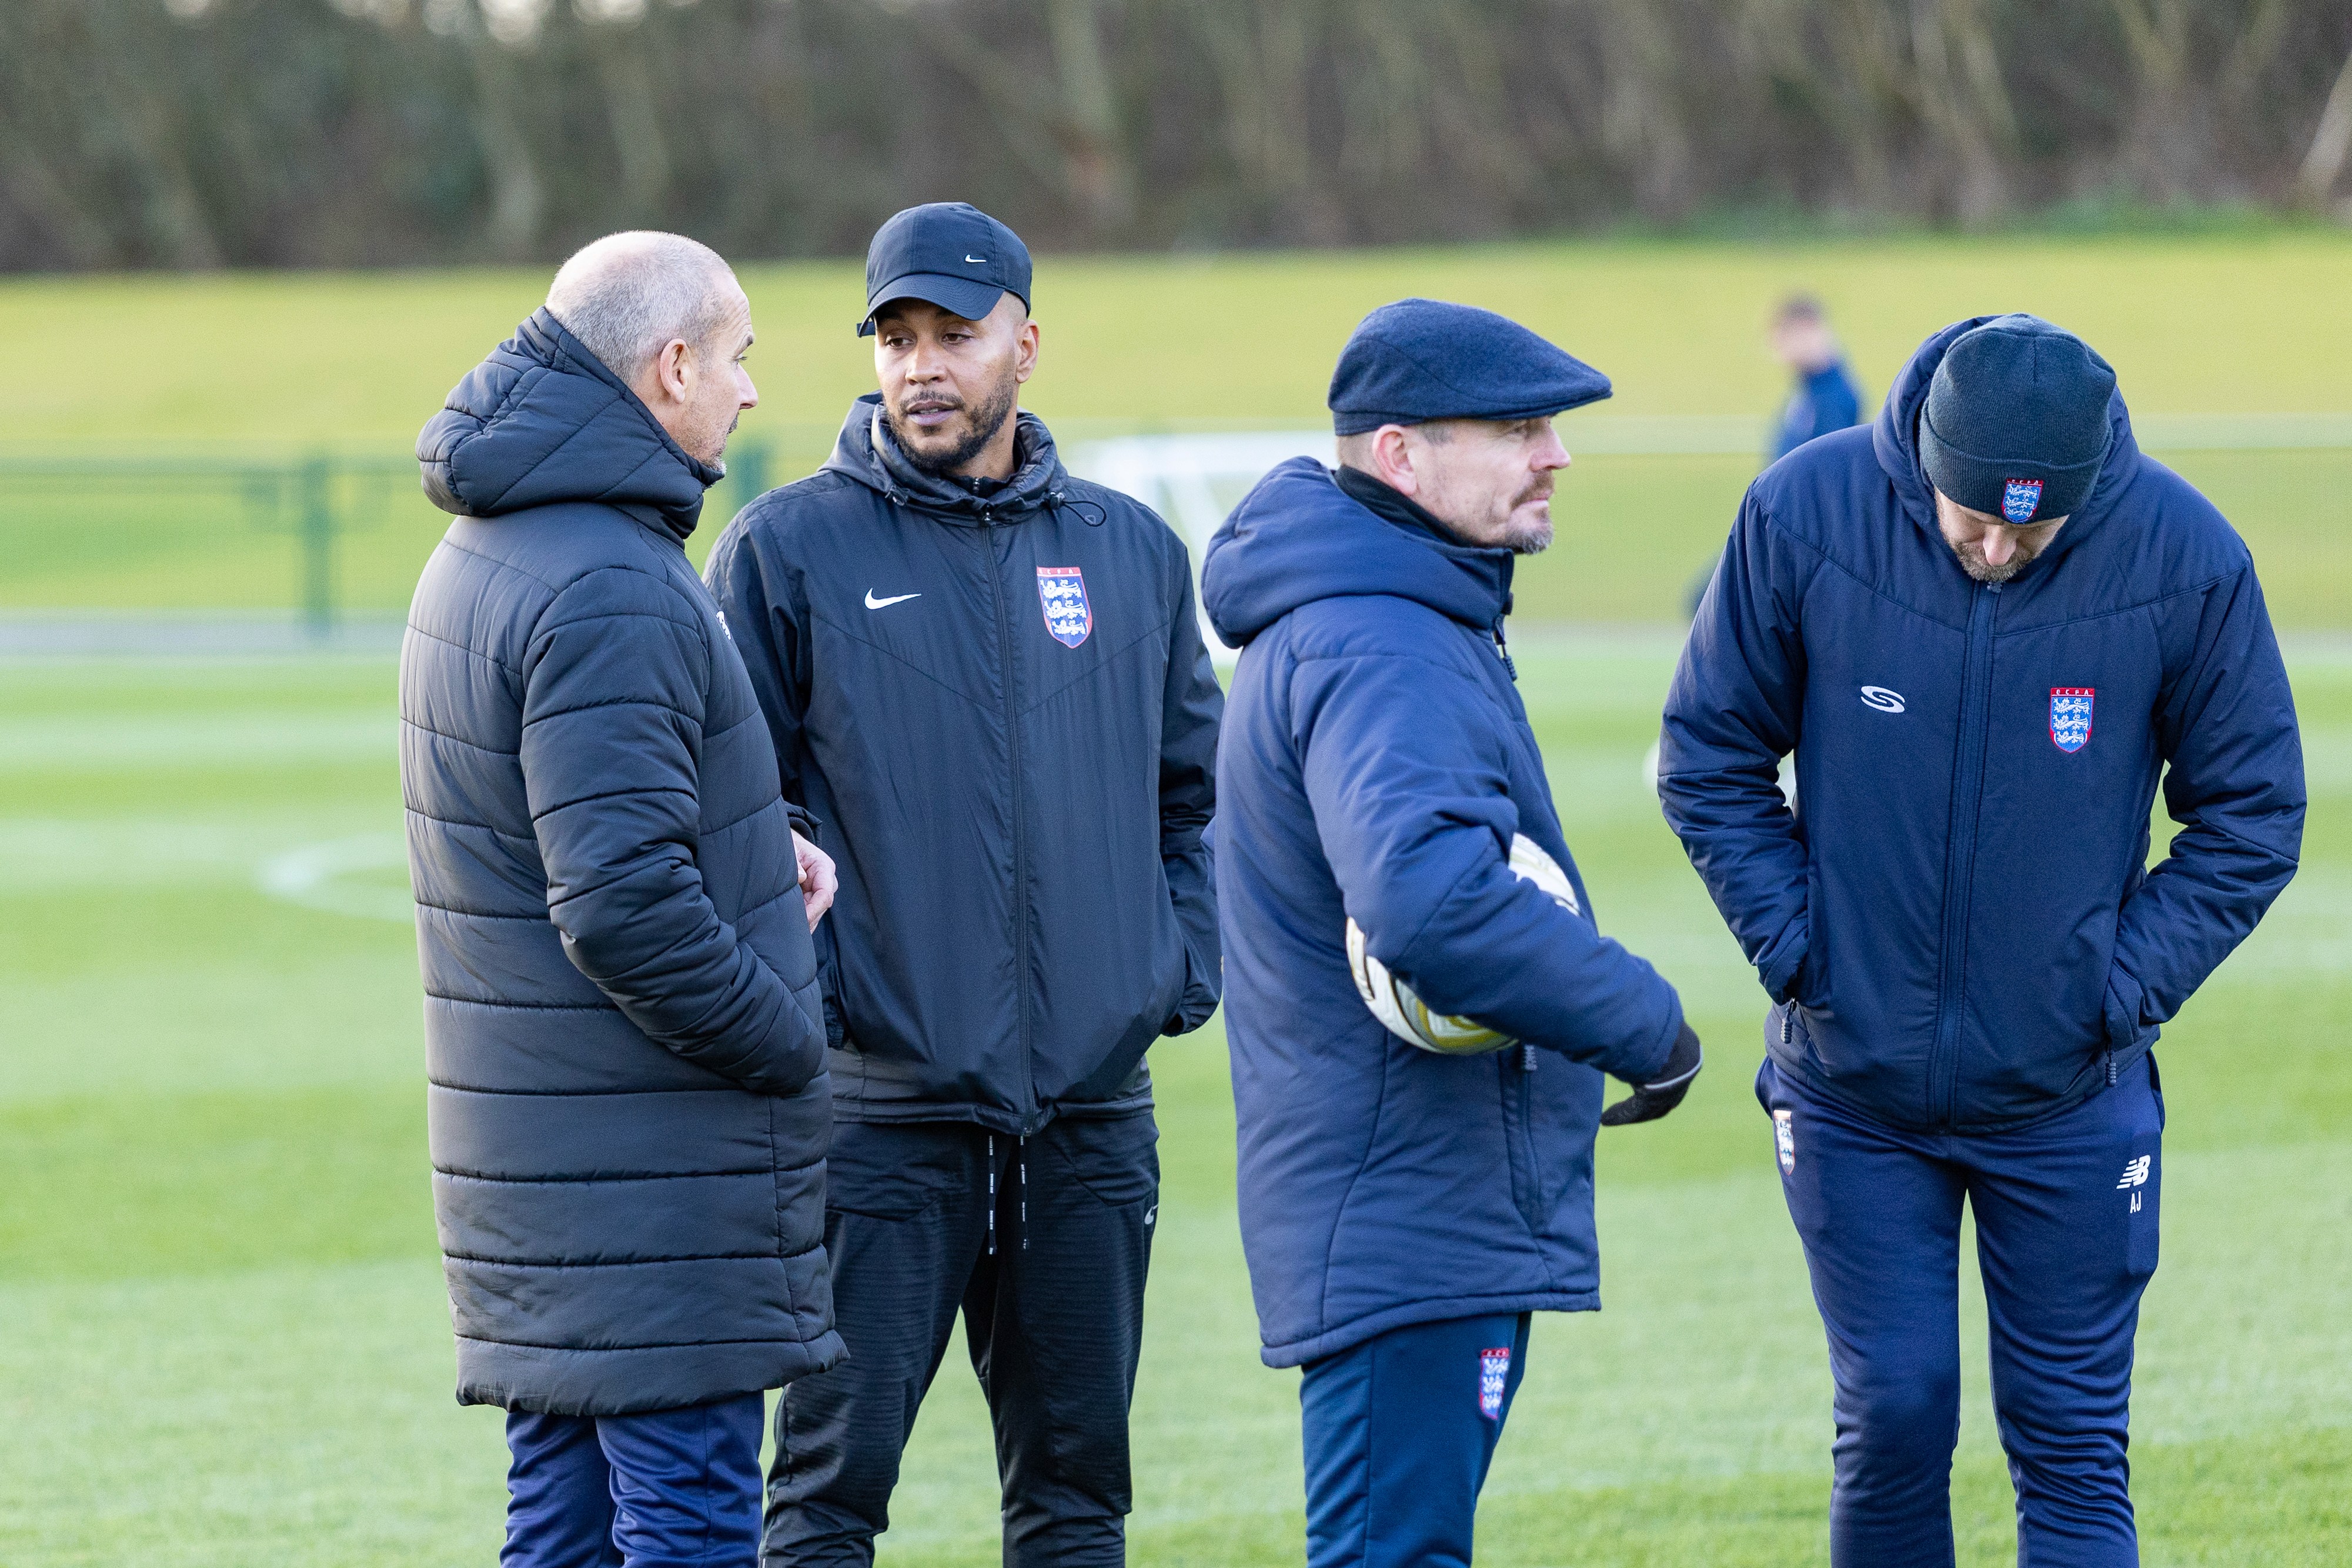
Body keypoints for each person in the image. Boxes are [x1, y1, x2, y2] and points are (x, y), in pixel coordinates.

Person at [1659, 314, 2304, 1566]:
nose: (1999, 549)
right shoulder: (1803, 513)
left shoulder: (2186, 556)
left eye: (2033, 529)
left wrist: (2116, 988)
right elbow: (1707, 753)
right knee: (1894, 1413)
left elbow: (2254, 813)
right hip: (1852, 1091)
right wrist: (1800, 949)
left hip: (2069, 1096)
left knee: (2071, 1442)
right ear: (1925, 461)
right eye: (1975, 522)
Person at [703, 202, 1222, 1567]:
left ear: (1025, 344)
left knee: (1076, 1499)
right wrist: (834, 1003)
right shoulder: (783, 549)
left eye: (953, 335)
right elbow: (731, 812)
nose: (921, 367)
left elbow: (1199, 794)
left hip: (1090, 1121)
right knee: (828, 1497)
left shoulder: (1130, 552)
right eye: (896, 339)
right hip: (879, 1125)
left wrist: (1170, 974)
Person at [1201, 297, 1702, 1568]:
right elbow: (1427, 900)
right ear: (1400, 455)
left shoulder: (1395, 609)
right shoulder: (1380, 638)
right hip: (1402, 1206)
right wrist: (1644, 1021)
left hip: (1413, 1202)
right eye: (1518, 430)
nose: (1555, 454)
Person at [403, 231, 845, 1568]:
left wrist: (750, 850)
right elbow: (621, 903)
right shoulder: (607, 581)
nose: (750, 389)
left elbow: (565, 827)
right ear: (671, 365)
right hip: (650, 1187)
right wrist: (785, 1035)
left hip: (556, 1174)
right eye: (738, 357)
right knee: (686, 1529)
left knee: (562, 1531)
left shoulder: (498, 541)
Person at [1769, 293, 1865, 460]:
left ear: (1808, 330)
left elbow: (1830, 465)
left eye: (1786, 335)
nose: (1778, 348)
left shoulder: (1834, 398)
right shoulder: (1808, 389)